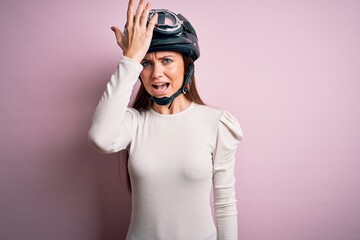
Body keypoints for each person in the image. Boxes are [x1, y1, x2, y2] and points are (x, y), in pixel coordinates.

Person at [88, 0, 243, 239]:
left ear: (187, 65)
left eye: (167, 60)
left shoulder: (217, 123)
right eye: (147, 63)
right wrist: (130, 60)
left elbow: (225, 204)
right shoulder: (133, 122)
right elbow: (100, 139)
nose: (156, 73)